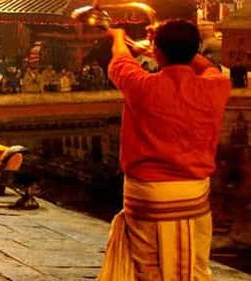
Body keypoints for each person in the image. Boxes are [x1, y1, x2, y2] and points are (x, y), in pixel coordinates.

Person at [98, 20, 231, 280]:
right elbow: (208, 67)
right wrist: (167, 48)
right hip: (192, 194)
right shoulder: (216, 87)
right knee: (195, 266)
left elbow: (121, 61)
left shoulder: (142, 86)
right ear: (196, 50)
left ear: (158, 51)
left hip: (147, 195)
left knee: (147, 268)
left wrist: (118, 36)